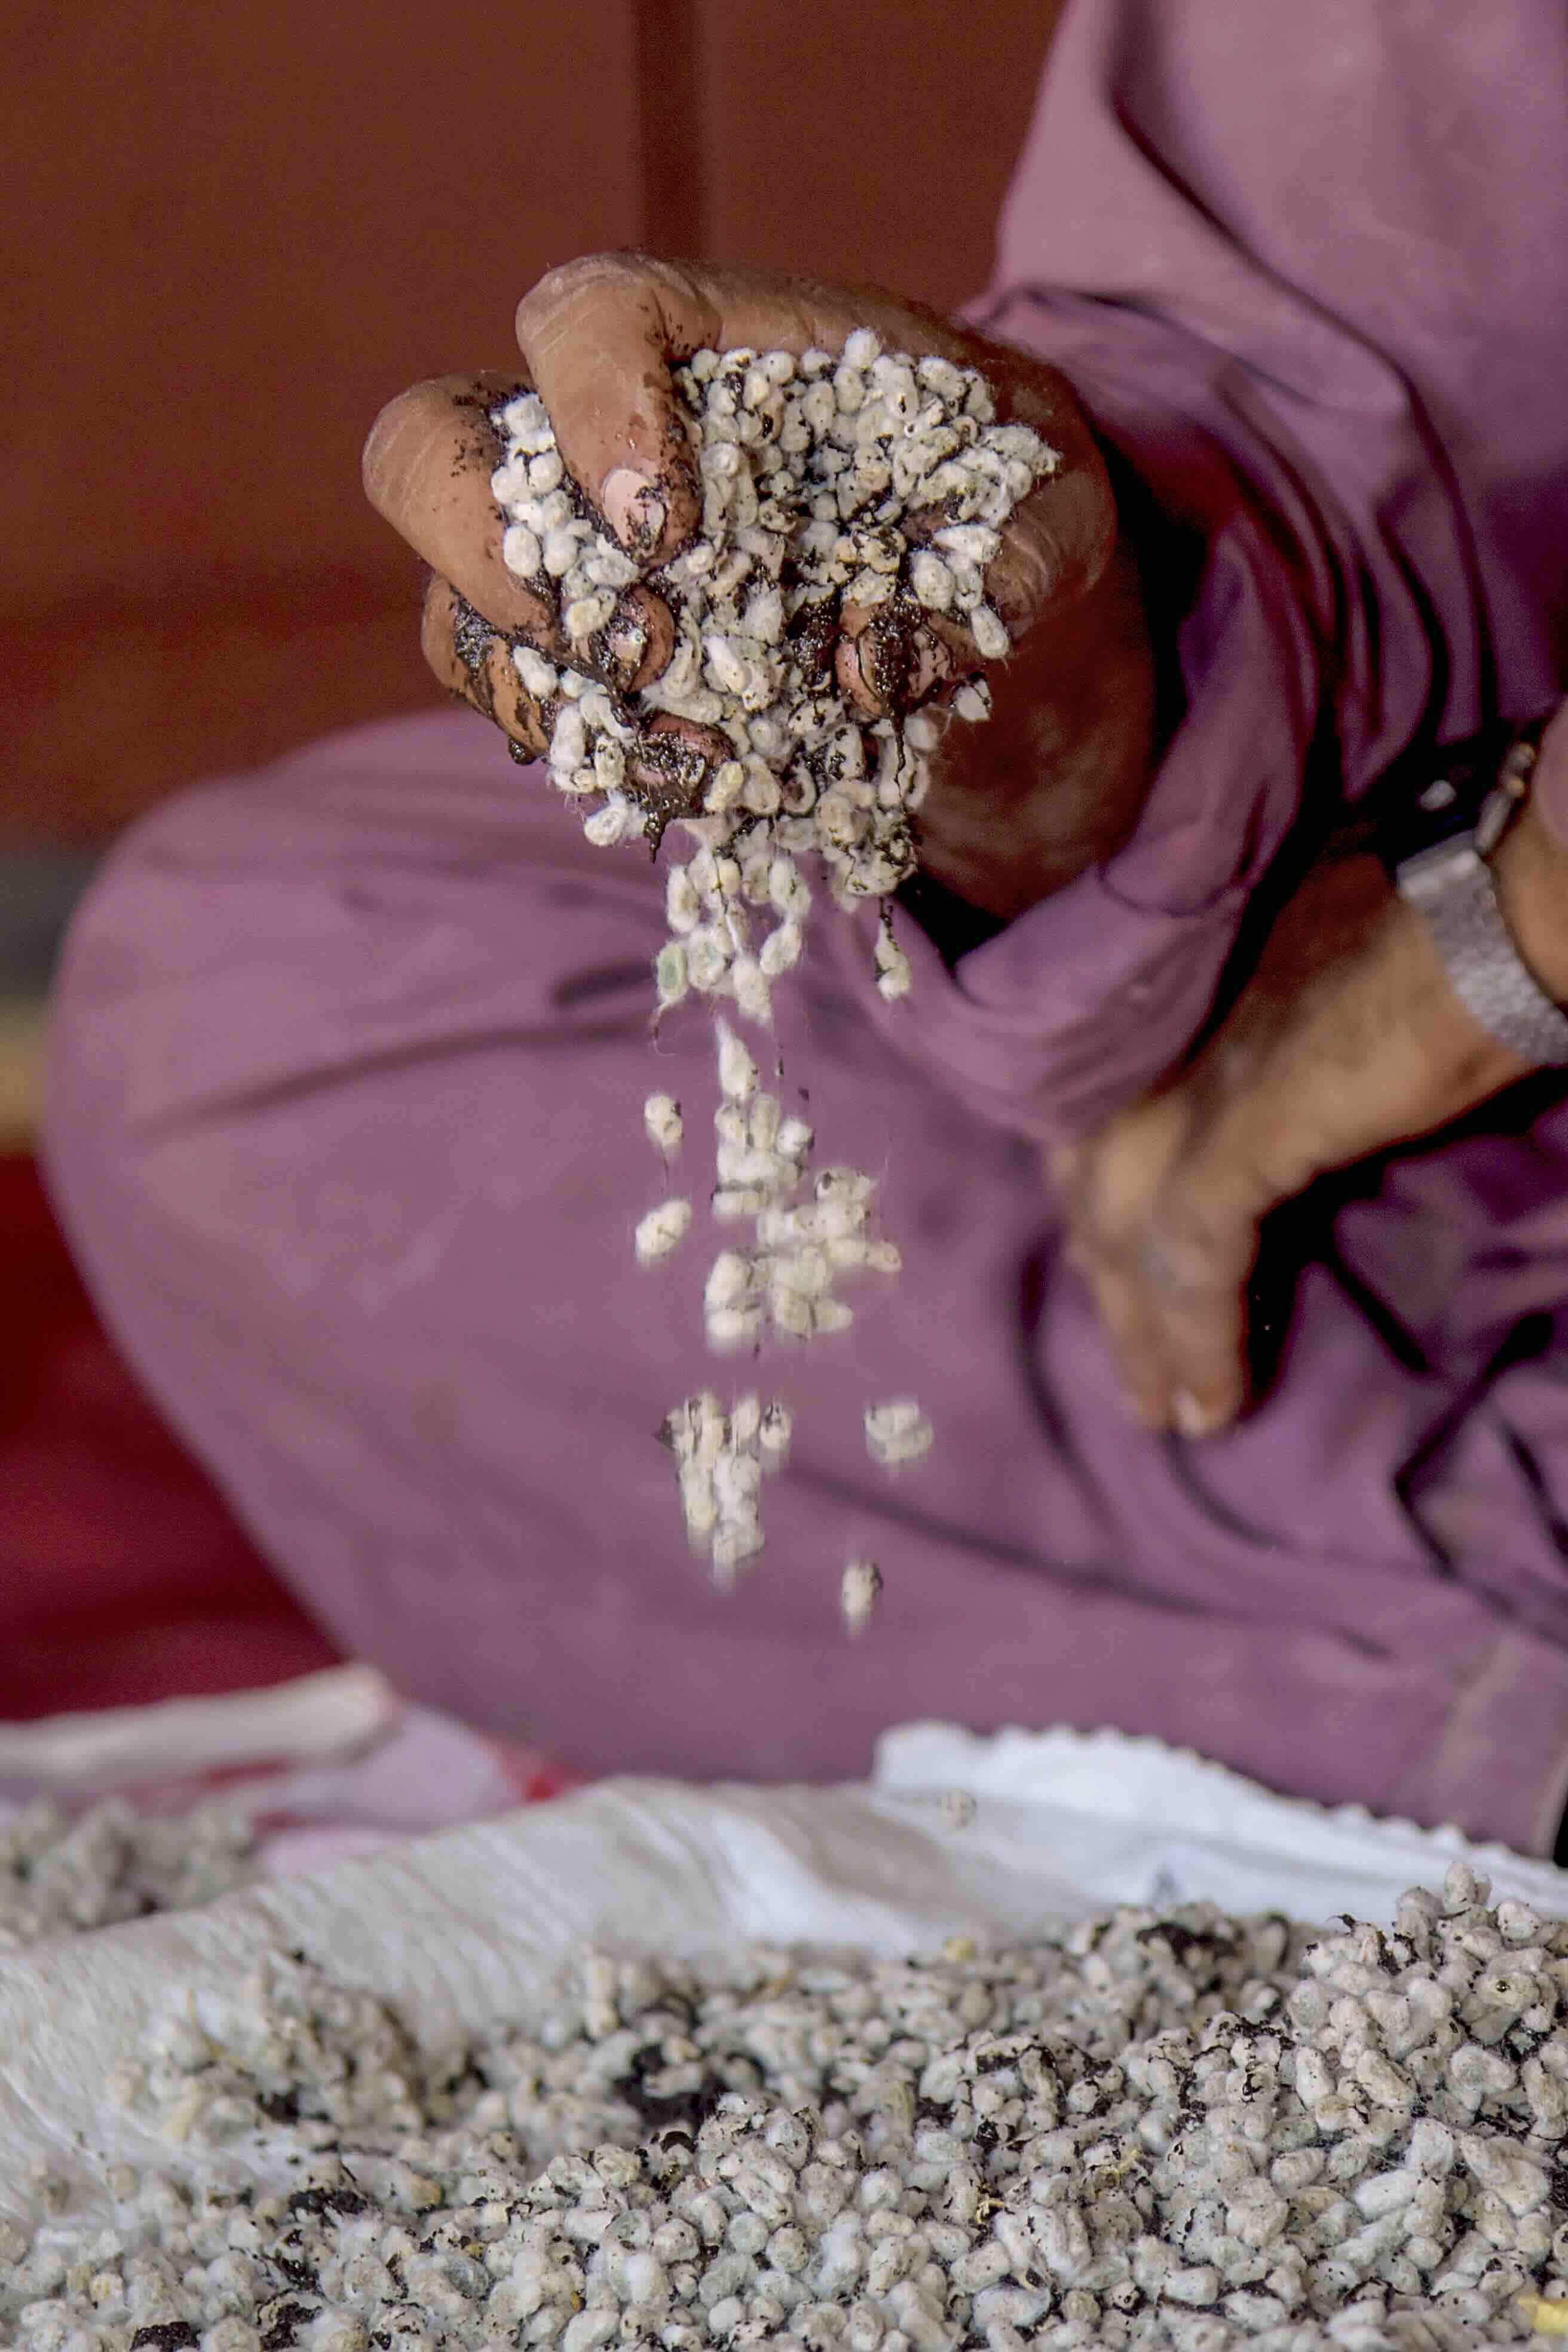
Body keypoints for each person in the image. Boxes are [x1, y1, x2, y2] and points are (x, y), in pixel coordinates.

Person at [41, 0, 1568, 1852]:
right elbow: (1347, 377)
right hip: (1383, 966)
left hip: (1448, 978)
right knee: (241, 1000)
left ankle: (1359, 1663)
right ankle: (1439, 1661)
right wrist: (1057, 693)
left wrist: (1488, 945)